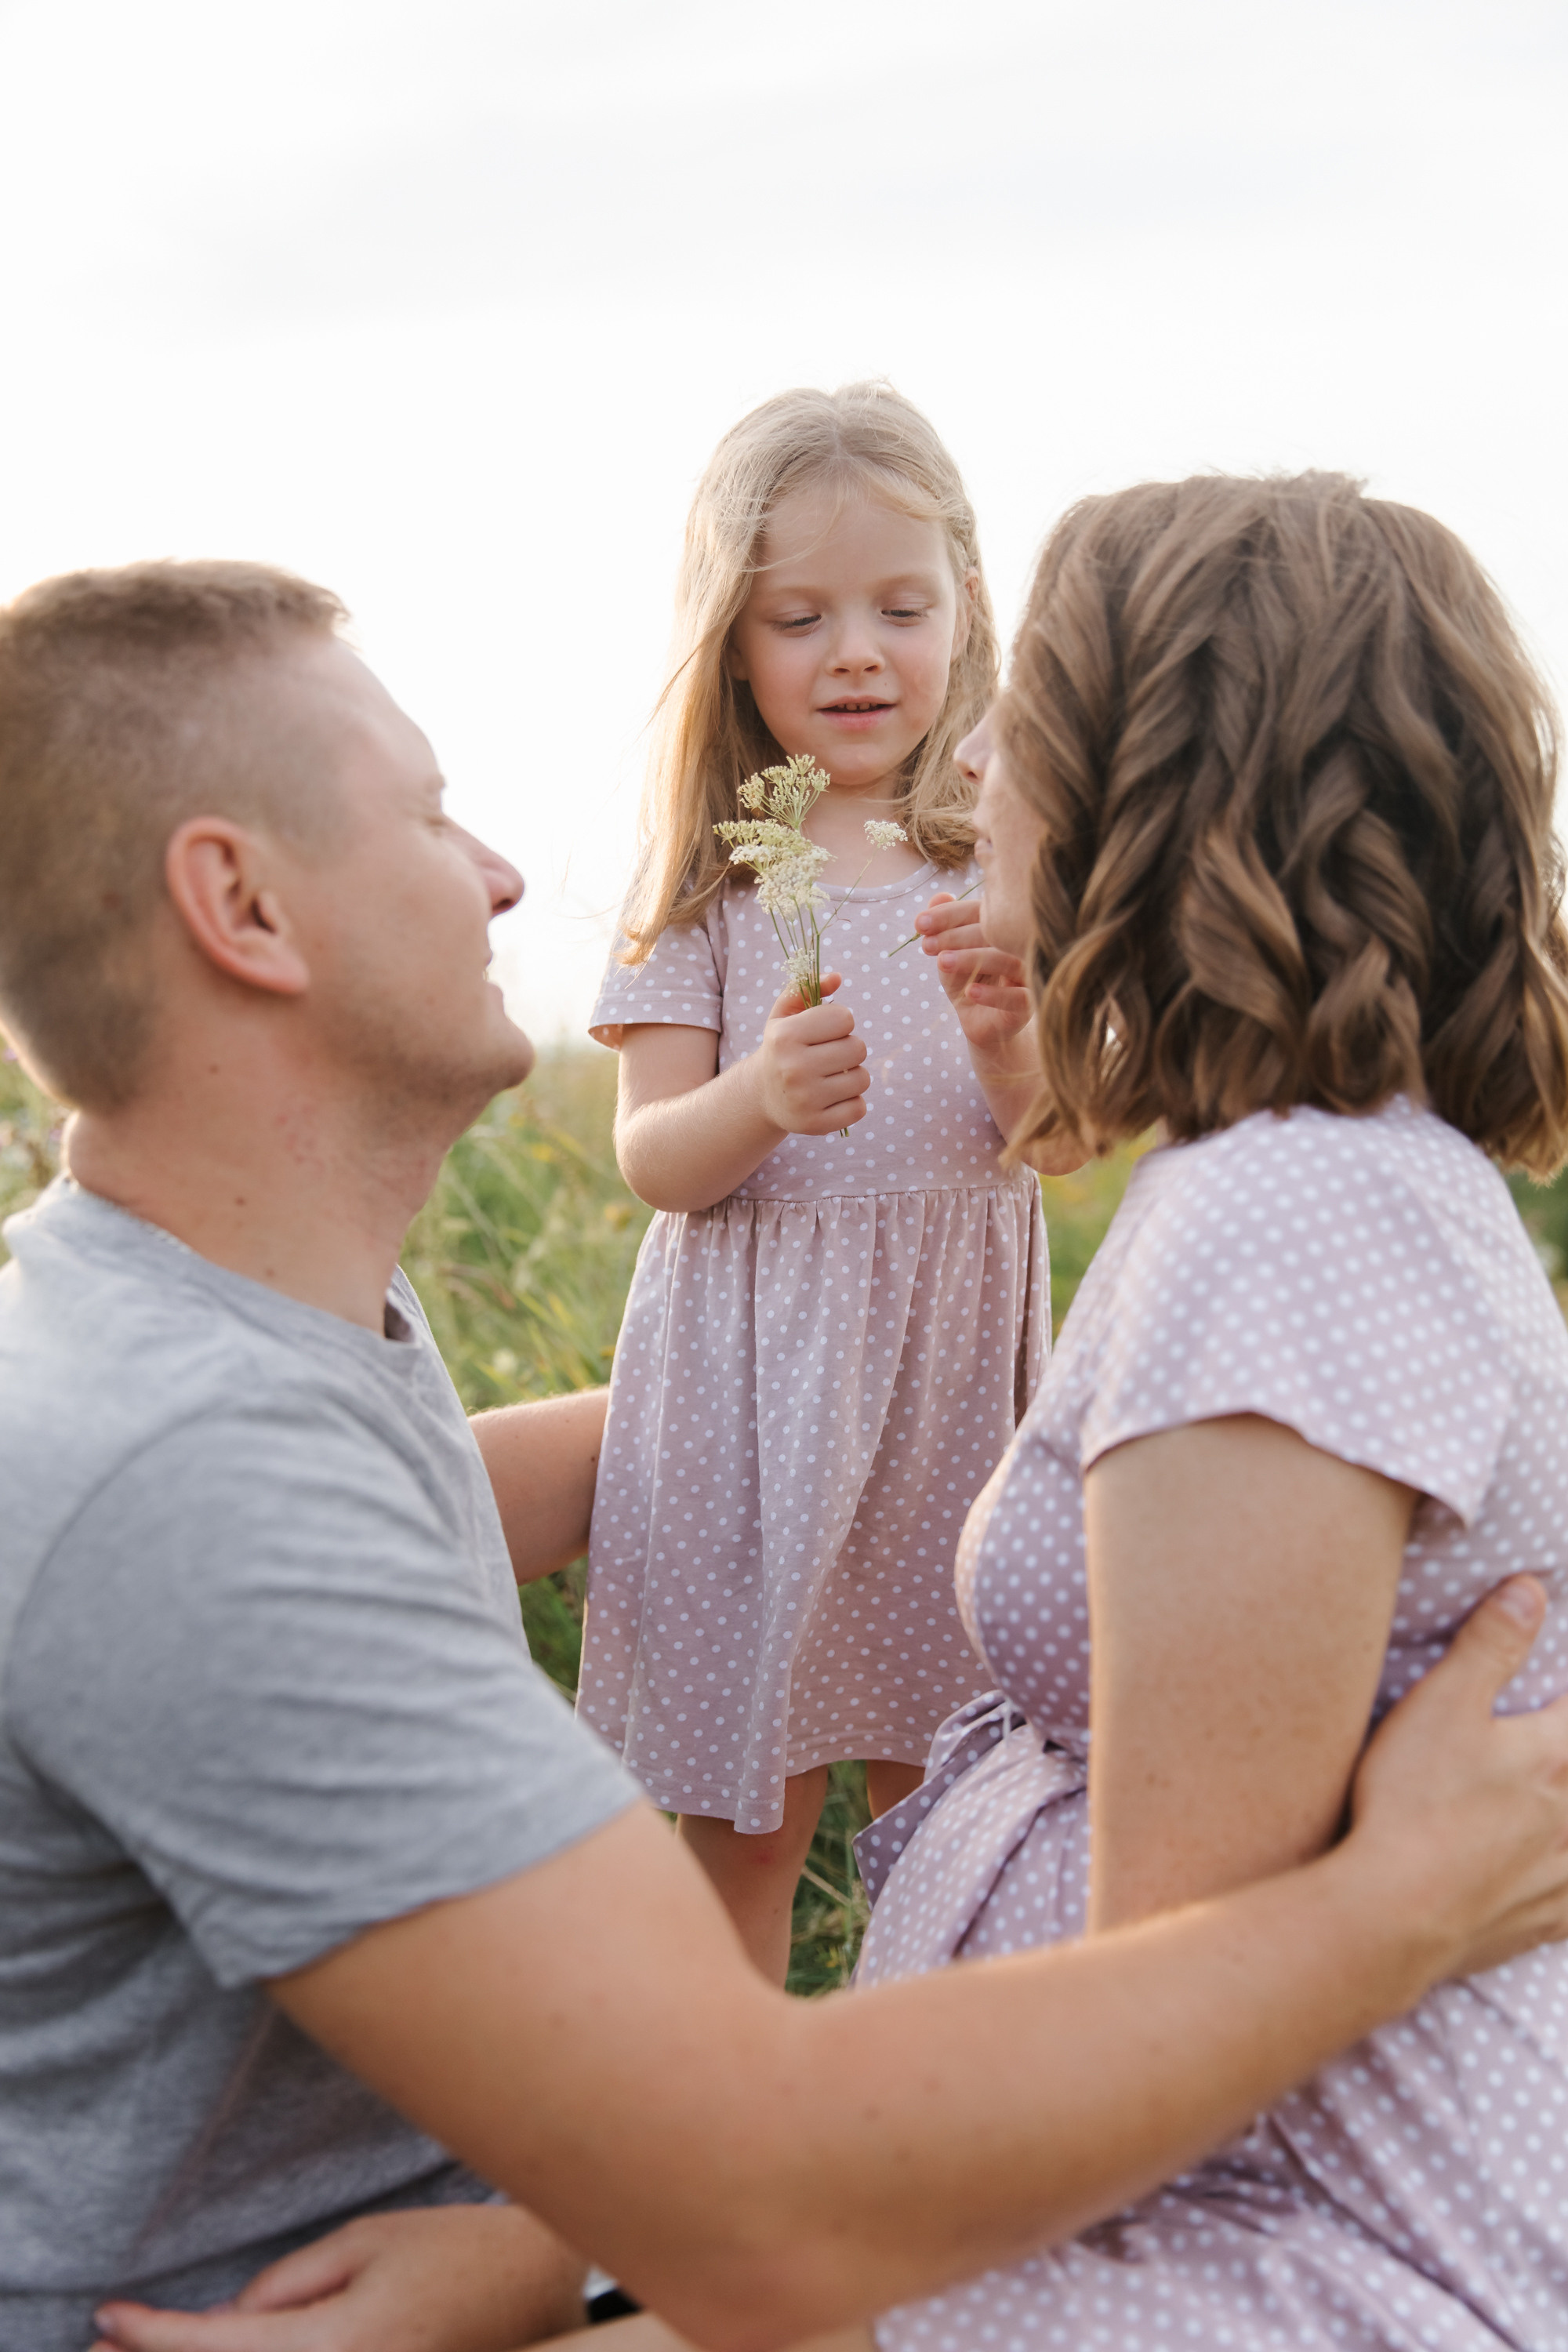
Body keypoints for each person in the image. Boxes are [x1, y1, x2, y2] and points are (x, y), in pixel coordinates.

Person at [2, 561, 1566, 2352]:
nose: (505, 874)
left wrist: (539, 2246)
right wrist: (1411, 1904)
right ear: (243, 908)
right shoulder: (191, 1473)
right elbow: (759, 2200)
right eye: (432, 814)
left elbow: (434, 1501)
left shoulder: (231, 1327)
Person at [851, 471, 1568, 2347]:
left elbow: (1170, 2029)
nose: (976, 760)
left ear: (1154, 777)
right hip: (1218, 2202)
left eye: (1028, 712)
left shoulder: (1290, 1213)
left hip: (1286, 2244)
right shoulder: (1297, 1180)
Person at [580, 383, 1073, 1978]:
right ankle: (700, 2129)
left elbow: (1056, 1140)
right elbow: (655, 1156)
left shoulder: (998, 858)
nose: (856, 651)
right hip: (765, 1406)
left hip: (948, 1402)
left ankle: (909, 2124)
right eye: (801, 617)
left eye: (900, 608)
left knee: (959, 1807)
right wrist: (759, 1097)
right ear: (733, 642)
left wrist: (1008, 1047)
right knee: (750, 1818)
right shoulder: (716, 874)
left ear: (966, 615)